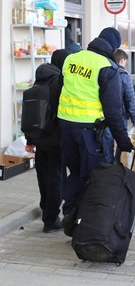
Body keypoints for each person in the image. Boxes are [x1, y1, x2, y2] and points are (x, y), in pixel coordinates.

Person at [57, 27, 134, 234]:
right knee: (93, 177)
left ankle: (69, 213)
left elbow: (60, 90)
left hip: (66, 127)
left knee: (74, 172)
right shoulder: (107, 67)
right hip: (90, 132)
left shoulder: (72, 58)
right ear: (113, 47)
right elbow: (113, 110)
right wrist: (123, 140)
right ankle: (82, 222)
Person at [25, 49, 70, 233]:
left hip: (40, 139)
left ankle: (47, 214)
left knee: (43, 178)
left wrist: (30, 139)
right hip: (56, 140)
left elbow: (32, 112)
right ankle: (51, 220)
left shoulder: (38, 80)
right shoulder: (59, 82)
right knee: (56, 179)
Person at [102, 49, 135, 163]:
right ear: (122, 60)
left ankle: (108, 167)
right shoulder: (124, 75)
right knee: (120, 141)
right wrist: (134, 118)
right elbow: (130, 99)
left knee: (107, 143)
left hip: (106, 115)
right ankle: (116, 166)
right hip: (120, 115)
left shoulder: (105, 73)